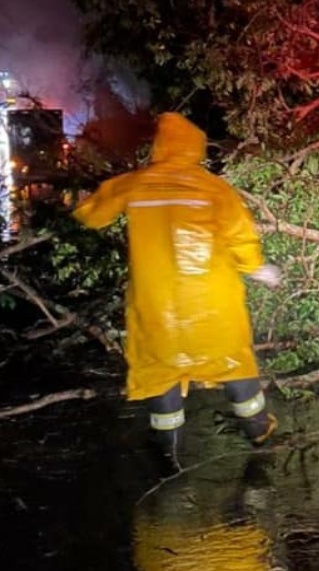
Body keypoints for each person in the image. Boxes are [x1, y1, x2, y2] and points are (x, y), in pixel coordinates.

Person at [73, 111, 281, 467]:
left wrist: (79, 202)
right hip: (213, 308)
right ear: (194, 149)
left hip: (157, 310)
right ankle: (259, 431)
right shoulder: (214, 188)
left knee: (160, 371)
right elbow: (241, 236)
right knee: (233, 362)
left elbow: (91, 214)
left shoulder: (136, 183)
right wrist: (259, 269)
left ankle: (167, 454)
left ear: (159, 147)